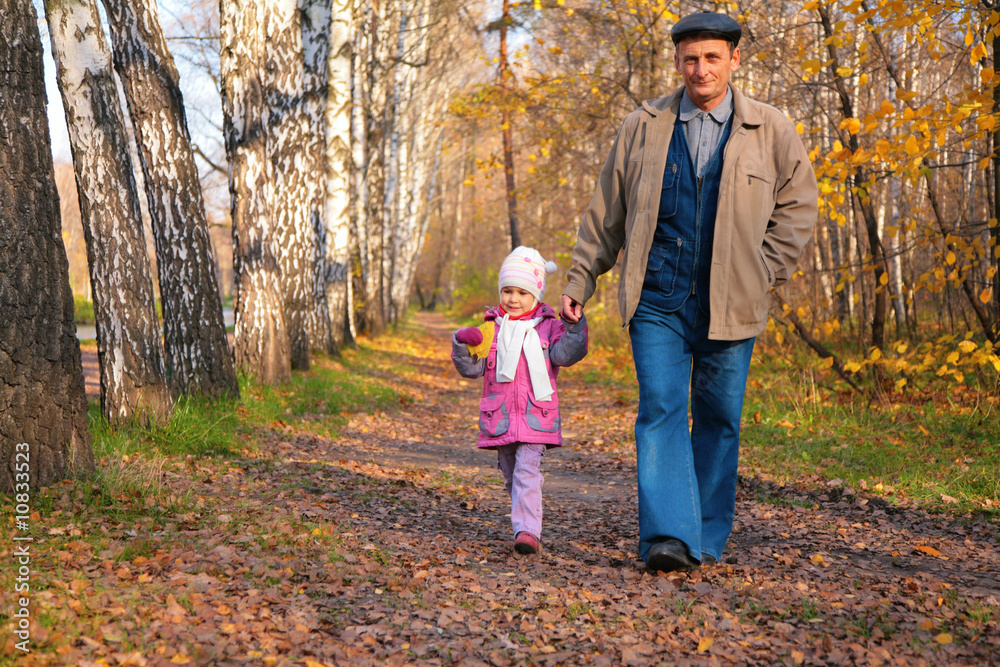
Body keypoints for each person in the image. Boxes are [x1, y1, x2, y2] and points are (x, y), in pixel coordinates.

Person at [560, 11, 818, 572]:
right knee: (659, 410)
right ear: (678, 63)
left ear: (734, 60)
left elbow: (798, 209)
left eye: (712, 58)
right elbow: (607, 209)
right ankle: (667, 538)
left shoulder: (771, 128)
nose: (701, 69)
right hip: (657, 297)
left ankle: (703, 536)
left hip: (733, 301)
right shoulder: (644, 124)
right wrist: (583, 277)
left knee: (720, 418)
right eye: (690, 59)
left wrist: (764, 270)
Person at [452, 246, 588, 555]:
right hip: (499, 419)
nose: (513, 299)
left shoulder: (549, 328)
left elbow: (569, 352)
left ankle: (528, 532)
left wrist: (575, 326)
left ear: (537, 295)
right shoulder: (490, 330)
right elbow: (471, 368)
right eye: (508, 291)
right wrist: (462, 343)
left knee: (527, 472)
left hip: (535, 416)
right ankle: (523, 524)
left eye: (522, 292)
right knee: (513, 477)